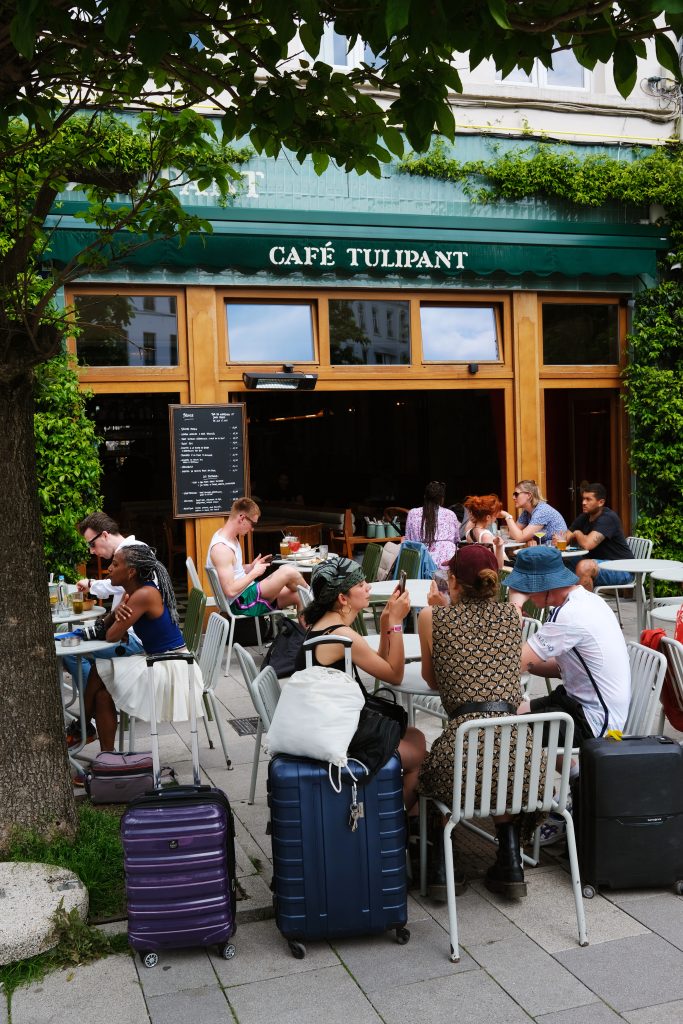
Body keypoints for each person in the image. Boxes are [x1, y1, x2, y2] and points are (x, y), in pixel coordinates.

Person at [418, 544, 532, 900]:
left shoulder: (431, 617)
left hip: (462, 748)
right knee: (500, 765)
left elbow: (433, 682)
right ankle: (511, 860)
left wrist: (439, 613)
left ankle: (441, 862)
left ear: (452, 581)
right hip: (520, 754)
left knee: (432, 770)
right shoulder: (514, 616)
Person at [294, 556, 427, 814]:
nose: (369, 587)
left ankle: (405, 818)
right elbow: (394, 675)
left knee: (416, 735)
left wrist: (387, 621)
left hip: (329, 720)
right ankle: (397, 822)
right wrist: (398, 623)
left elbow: (379, 663)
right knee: (420, 754)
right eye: (361, 584)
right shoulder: (341, 635)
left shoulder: (326, 626)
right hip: (339, 733)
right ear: (343, 598)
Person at [78, 543, 205, 754]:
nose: (109, 568)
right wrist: (115, 614)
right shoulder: (138, 592)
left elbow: (111, 636)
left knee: (97, 670)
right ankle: (107, 758)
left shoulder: (143, 595)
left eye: (115, 564)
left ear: (131, 572)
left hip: (172, 668)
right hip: (160, 660)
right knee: (101, 695)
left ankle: (81, 728)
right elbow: (110, 628)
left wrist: (115, 617)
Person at [504, 546, 631, 745]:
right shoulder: (587, 600)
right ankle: (576, 774)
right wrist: (530, 661)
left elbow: (508, 667)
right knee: (509, 712)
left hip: (594, 724)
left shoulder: (569, 615)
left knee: (504, 729)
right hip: (581, 707)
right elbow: (559, 667)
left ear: (542, 586)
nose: (524, 594)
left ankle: (576, 773)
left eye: (524, 589)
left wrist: (515, 608)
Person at [64, 512, 147, 745]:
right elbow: (113, 588)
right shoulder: (129, 551)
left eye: (92, 544)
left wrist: (106, 624)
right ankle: (93, 725)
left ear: (105, 535)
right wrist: (92, 586)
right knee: (98, 688)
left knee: (73, 653)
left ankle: (85, 723)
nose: (91, 551)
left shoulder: (135, 553)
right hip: (128, 633)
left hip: (139, 642)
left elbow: (120, 620)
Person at [207, 497, 307, 615]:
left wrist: (250, 567)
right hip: (240, 603)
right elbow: (230, 590)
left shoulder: (226, 537)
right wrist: (255, 573)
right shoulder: (222, 549)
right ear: (242, 518)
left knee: (299, 595)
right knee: (287, 571)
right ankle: (317, 596)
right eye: (253, 524)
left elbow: (232, 571)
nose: (252, 529)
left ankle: (309, 632)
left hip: (247, 593)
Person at [565, 482, 634, 591]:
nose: (583, 503)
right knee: (558, 561)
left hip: (621, 569)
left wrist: (577, 533)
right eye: (583, 499)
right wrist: (560, 539)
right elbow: (564, 538)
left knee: (584, 567)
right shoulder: (584, 516)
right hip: (598, 564)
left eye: (588, 499)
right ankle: (564, 602)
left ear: (600, 502)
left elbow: (588, 544)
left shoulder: (608, 518)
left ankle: (585, 606)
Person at [405, 481, 460, 567]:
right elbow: (456, 540)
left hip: (421, 562)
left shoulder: (412, 513)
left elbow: (408, 540)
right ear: (442, 499)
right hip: (447, 562)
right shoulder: (450, 514)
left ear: (425, 497)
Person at [500, 480, 567, 546]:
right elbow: (512, 534)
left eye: (516, 494)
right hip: (545, 550)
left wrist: (507, 516)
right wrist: (529, 538)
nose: (513, 497)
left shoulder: (542, 510)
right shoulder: (526, 512)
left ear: (529, 495)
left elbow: (520, 537)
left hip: (558, 552)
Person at [462, 493, 505, 569]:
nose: (496, 517)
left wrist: (476, 514)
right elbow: (498, 566)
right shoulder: (486, 536)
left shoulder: (468, 531)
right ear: (488, 517)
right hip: (488, 575)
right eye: (495, 515)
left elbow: (472, 520)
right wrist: (499, 547)